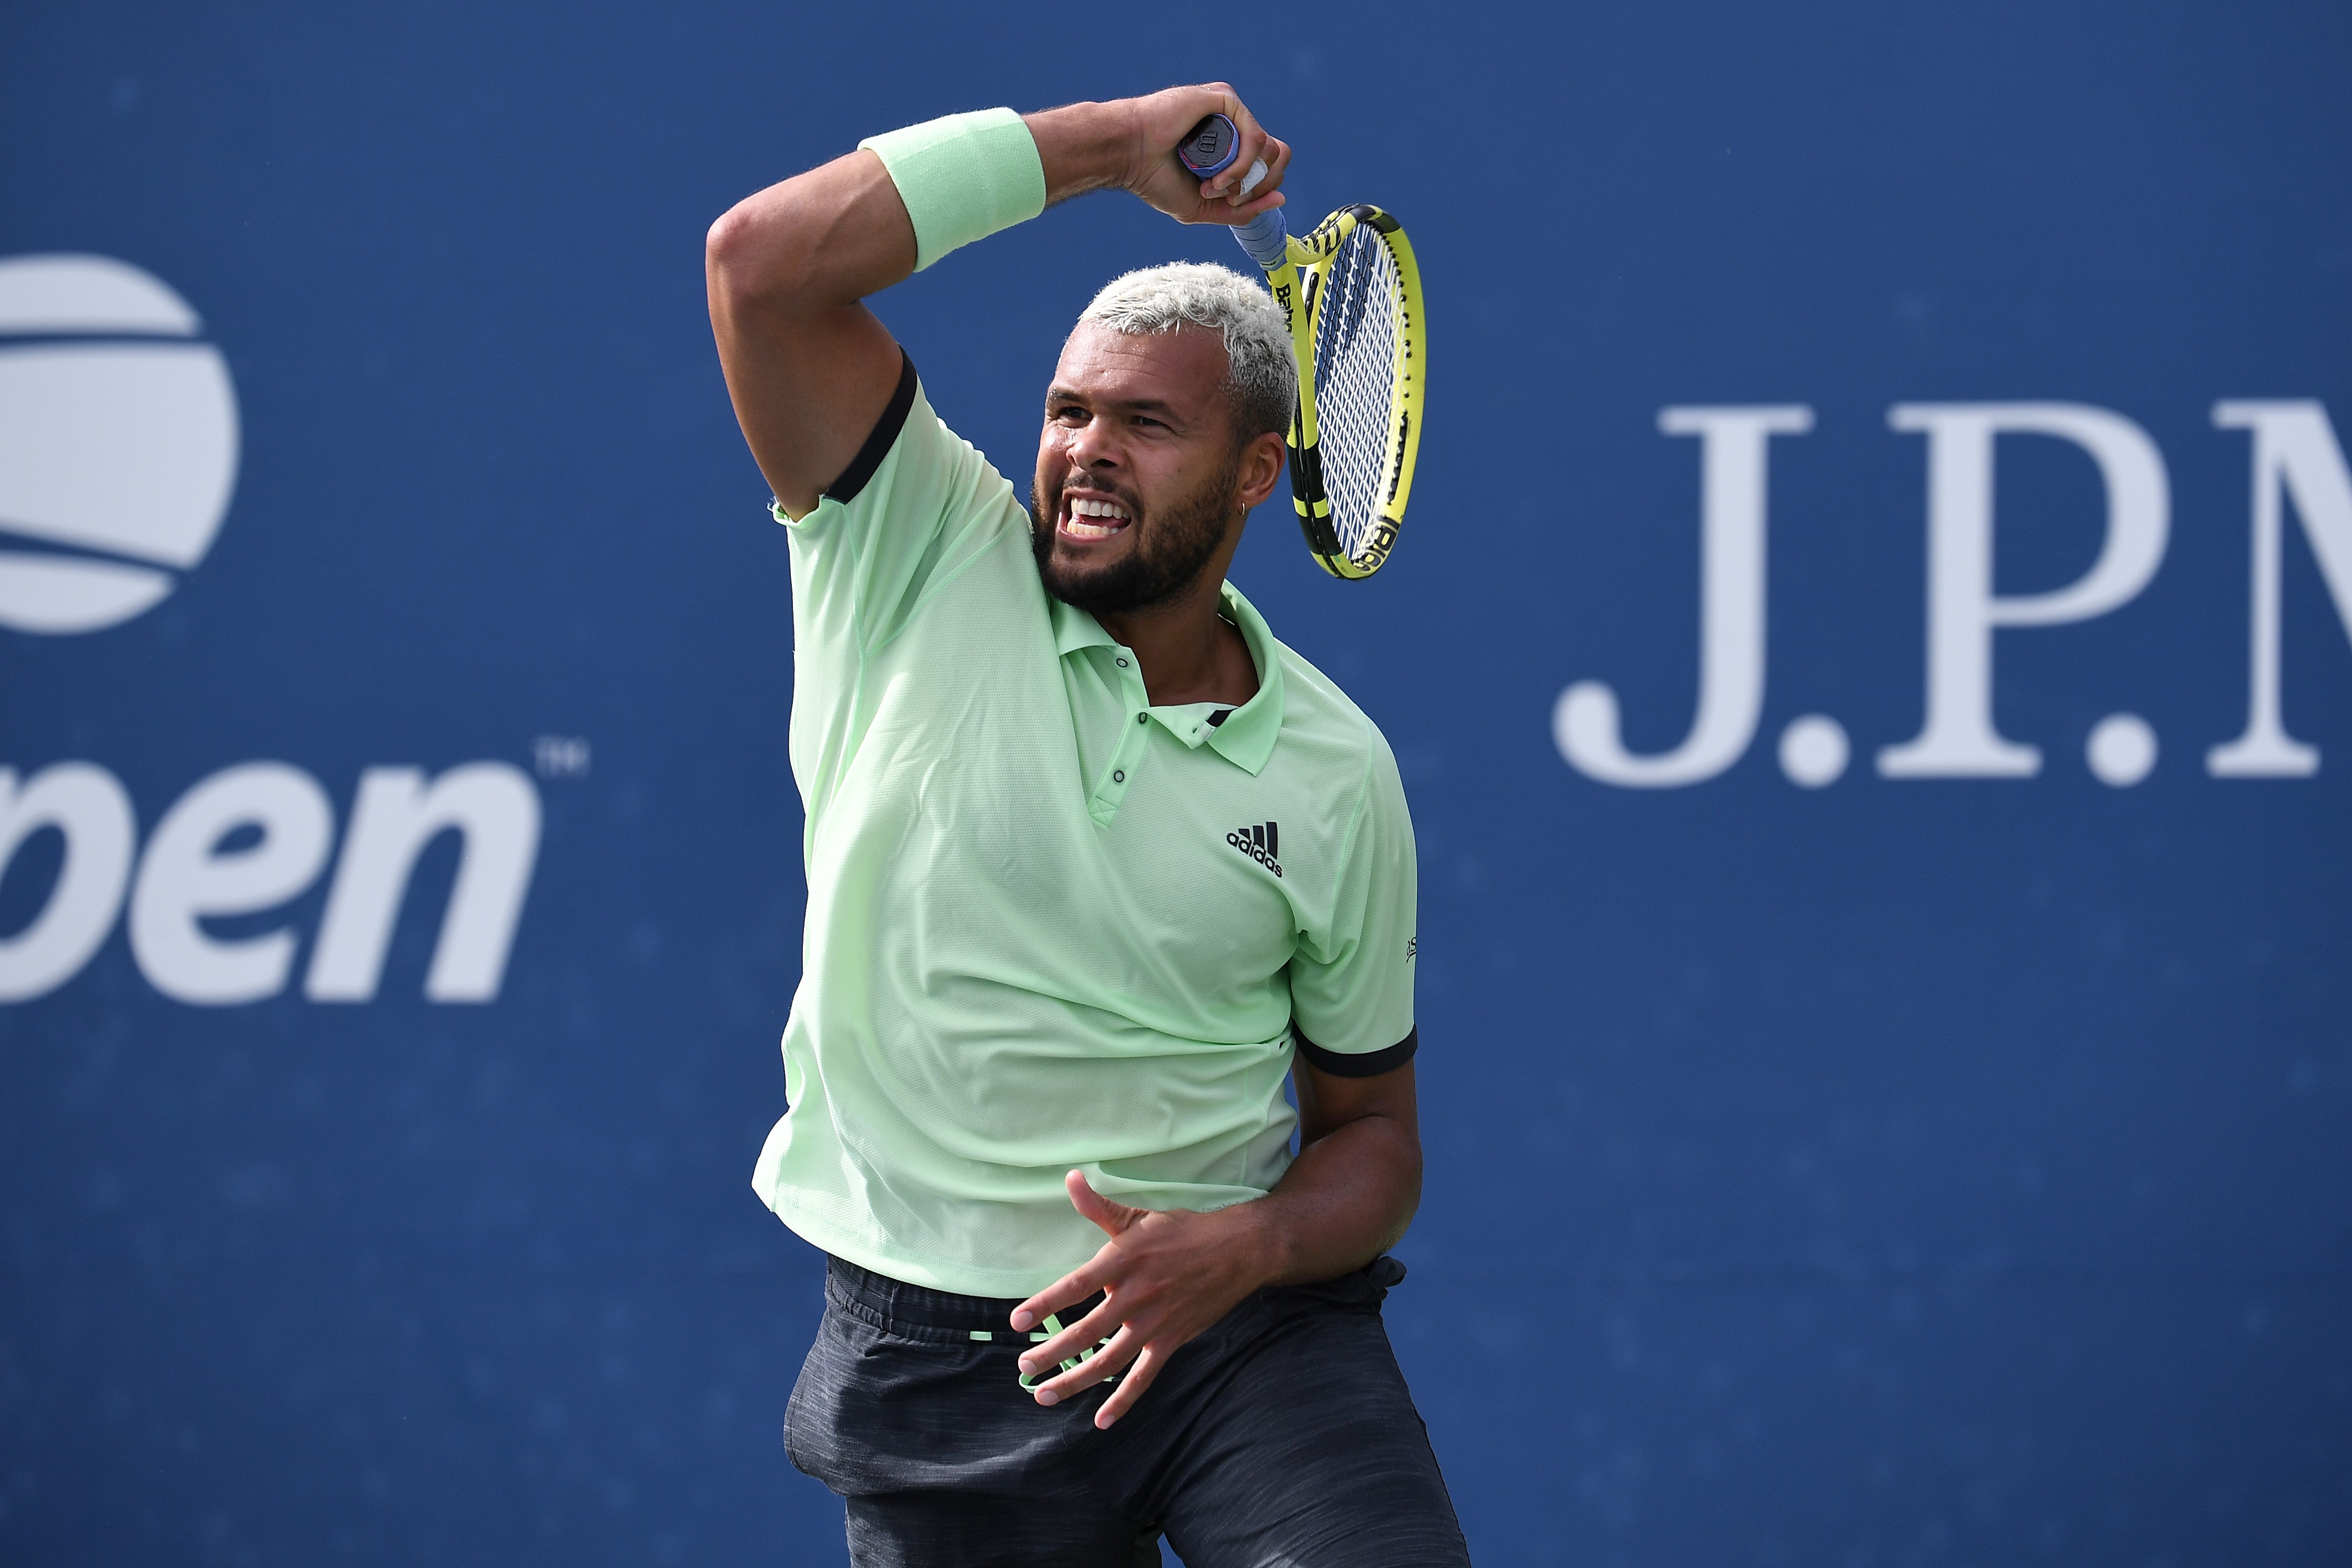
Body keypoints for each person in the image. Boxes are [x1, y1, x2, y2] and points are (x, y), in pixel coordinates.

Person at [705, 83, 1469, 1567]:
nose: (1086, 450)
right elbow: (761, 264)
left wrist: (1242, 1245)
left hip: (1241, 1332)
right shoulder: (913, 550)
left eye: (1148, 422)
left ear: (1260, 469)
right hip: (936, 1348)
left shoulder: (1333, 768)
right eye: (1068, 410)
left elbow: (1374, 1141)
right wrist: (1115, 150)